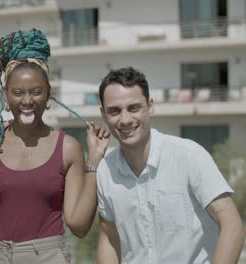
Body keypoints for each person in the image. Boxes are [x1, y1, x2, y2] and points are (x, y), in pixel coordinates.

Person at [0, 29, 110, 264]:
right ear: (5, 95)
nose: (27, 101)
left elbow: (79, 225)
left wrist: (94, 159)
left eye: (36, 92)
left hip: (49, 256)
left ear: (49, 96)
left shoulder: (67, 148)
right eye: (17, 93)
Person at [96, 67, 245, 263]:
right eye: (114, 111)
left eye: (134, 108)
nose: (125, 120)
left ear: (150, 107)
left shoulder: (189, 155)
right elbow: (108, 236)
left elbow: (232, 224)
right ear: (103, 114)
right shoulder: (105, 170)